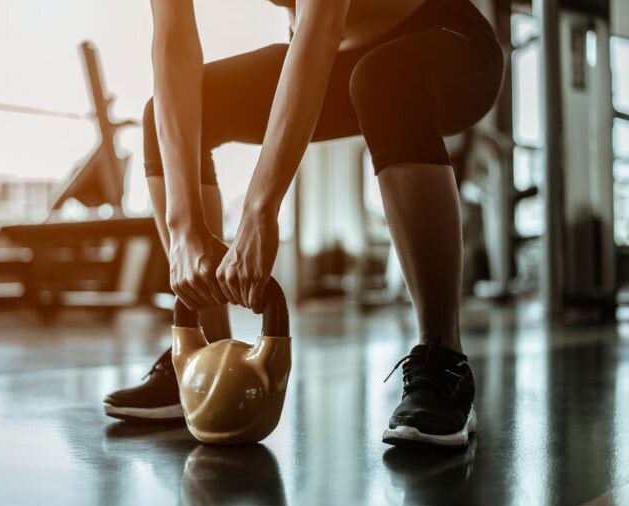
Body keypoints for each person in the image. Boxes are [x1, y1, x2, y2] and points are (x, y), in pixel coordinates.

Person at [104, 0, 503, 448]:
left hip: (446, 38)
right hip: (335, 57)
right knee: (165, 112)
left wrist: (259, 211)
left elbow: (324, 21)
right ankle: (205, 354)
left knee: (384, 77)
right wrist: (183, 229)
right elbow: (173, 46)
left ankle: (443, 359)